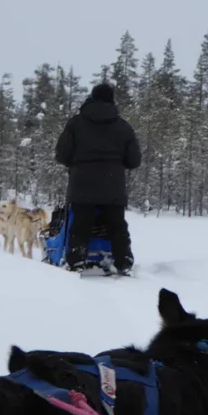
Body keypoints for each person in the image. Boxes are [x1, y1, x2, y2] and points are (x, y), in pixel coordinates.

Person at [54, 82, 141, 273]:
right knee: (117, 226)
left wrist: (75, 163)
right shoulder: (124, 127)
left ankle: (76, 261)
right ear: (112, 100)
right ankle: (124, 263)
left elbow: (61, 154)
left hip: (82, 184)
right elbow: (134, 160)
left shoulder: (75, 123)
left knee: (80, 226)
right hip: (113, 186)